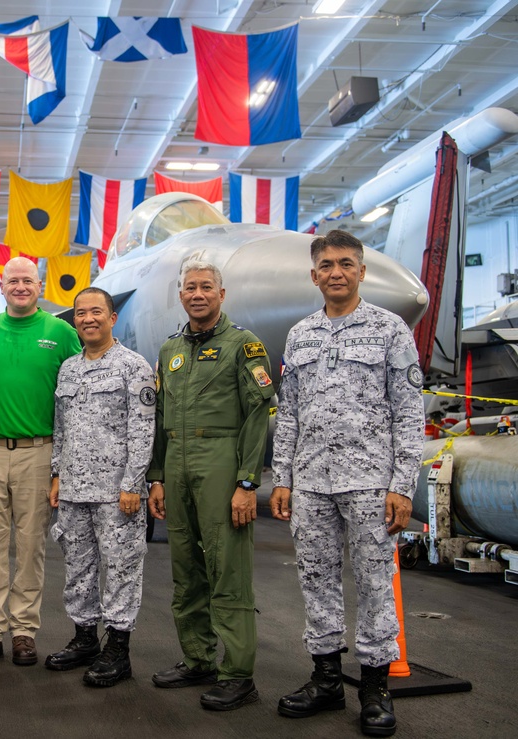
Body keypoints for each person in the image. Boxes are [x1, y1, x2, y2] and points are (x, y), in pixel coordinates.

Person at [269, 230, 424, 737]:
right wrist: (283, 477)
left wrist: (403, 485)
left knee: (376, 583)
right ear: (314, 275)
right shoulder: (300, 335)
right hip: (311, 482)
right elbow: (287, 414)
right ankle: (327, 679)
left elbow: (408, 412)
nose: (336, 272)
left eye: (346, 263)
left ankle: (376, 688)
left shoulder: (390, 330)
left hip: (370, 484)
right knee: (316, 581)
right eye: (327, 265)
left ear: (361, 271)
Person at [147, 260, 274, 711]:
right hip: (177, 462)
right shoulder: (170, 351)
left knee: (227, 569)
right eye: (189, 287)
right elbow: (160, 419)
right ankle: (198, 658)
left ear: (222, 293)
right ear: (180, 295)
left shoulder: (244, 345)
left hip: (221, 461)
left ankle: (238, 674)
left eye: (206, 287)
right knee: (186, 568)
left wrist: (247, 483)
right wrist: (157, 476)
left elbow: (259, 413)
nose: (197, 294)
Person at [0, 257, 81, 667]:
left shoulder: (61, 333)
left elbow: (82, 385)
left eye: (27, 280)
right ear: (1, 284)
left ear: (39, 285)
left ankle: (24, 632)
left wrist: (63, 465)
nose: (19, 286)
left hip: (39, 451)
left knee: (31, 544)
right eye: (12, 280)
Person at [46, 287, 155, 687]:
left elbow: (143, 430)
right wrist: (57, 474)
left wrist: (132, 484)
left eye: (96, 312)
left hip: (116, 492)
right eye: (81, 313)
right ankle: (85, 637)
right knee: (78, 567)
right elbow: (62, 428)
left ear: (112, 318)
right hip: (74, 489)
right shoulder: (69, 369)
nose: (88, 319)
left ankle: (118, 649)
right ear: (74, 321)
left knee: (122, 567)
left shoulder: (134, 366)